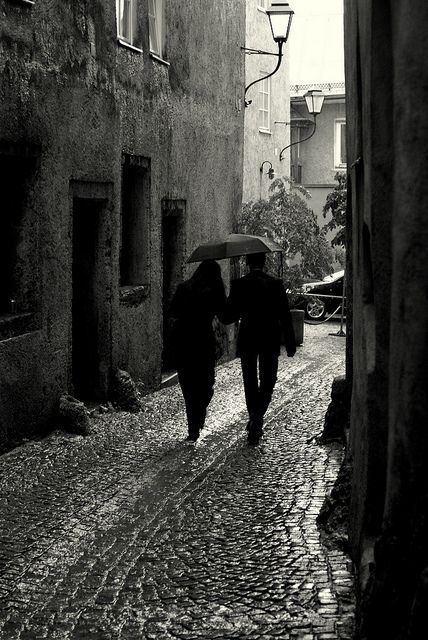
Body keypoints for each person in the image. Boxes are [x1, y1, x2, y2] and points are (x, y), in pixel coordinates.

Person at [223, 252, 296, 445]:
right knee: (268, 379)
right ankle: (258, 416)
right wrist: (290, 343)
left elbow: (229, 316)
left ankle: (255, 416)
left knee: (249, 379)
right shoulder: (275, 284)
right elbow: (285, 315)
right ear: (264, 263)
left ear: (247, 263)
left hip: (248, 337)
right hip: (269, 337)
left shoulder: (240, 285)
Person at [169, 260, 226, 442]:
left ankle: (193, 427)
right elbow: (224, 315)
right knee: (206, 384)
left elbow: (172, 312)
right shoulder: (215, 291)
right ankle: (198, 416)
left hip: (183, 341)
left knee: (188, 386)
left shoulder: (183, 288)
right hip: (203, 341)